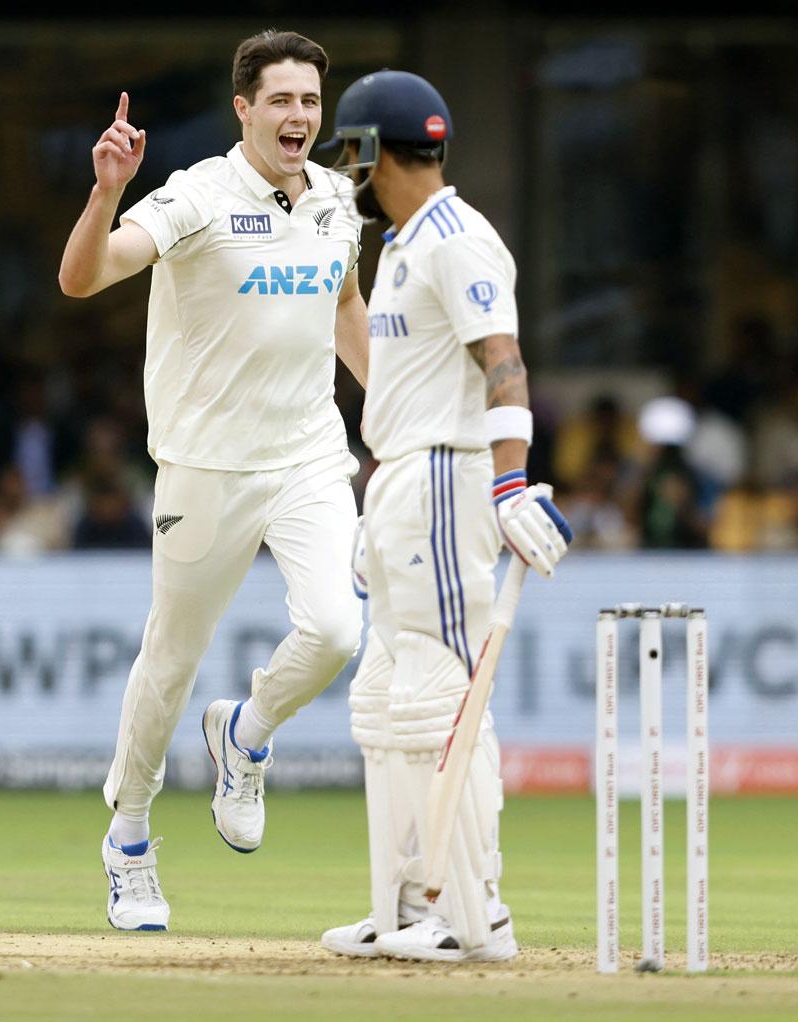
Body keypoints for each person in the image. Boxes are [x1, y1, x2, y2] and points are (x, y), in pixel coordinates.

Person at [58, 29, 370, 932]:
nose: (299, 118)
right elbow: (83, 278)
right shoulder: (195, 194)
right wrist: (106, 191)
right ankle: (129, 838)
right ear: (243, 108)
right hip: (205, 463)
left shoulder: (340, 200)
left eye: (310, 102)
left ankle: (245, 733)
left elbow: (345, 308)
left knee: (338, 630)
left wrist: (395, 416)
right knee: (173, 659)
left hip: (309, 455)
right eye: (281, 100)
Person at [316, 70, 572, 963]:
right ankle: (400, 908)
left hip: (445, 481)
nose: (345, 168)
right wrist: (375, 506)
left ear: (375, 151)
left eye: (350, 150)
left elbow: (504, 364)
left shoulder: (460, 240)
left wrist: (510, 485)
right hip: (397, 485)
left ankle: (476, 916)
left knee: (441, 696)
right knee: (385, 700)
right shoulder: (403, 247)